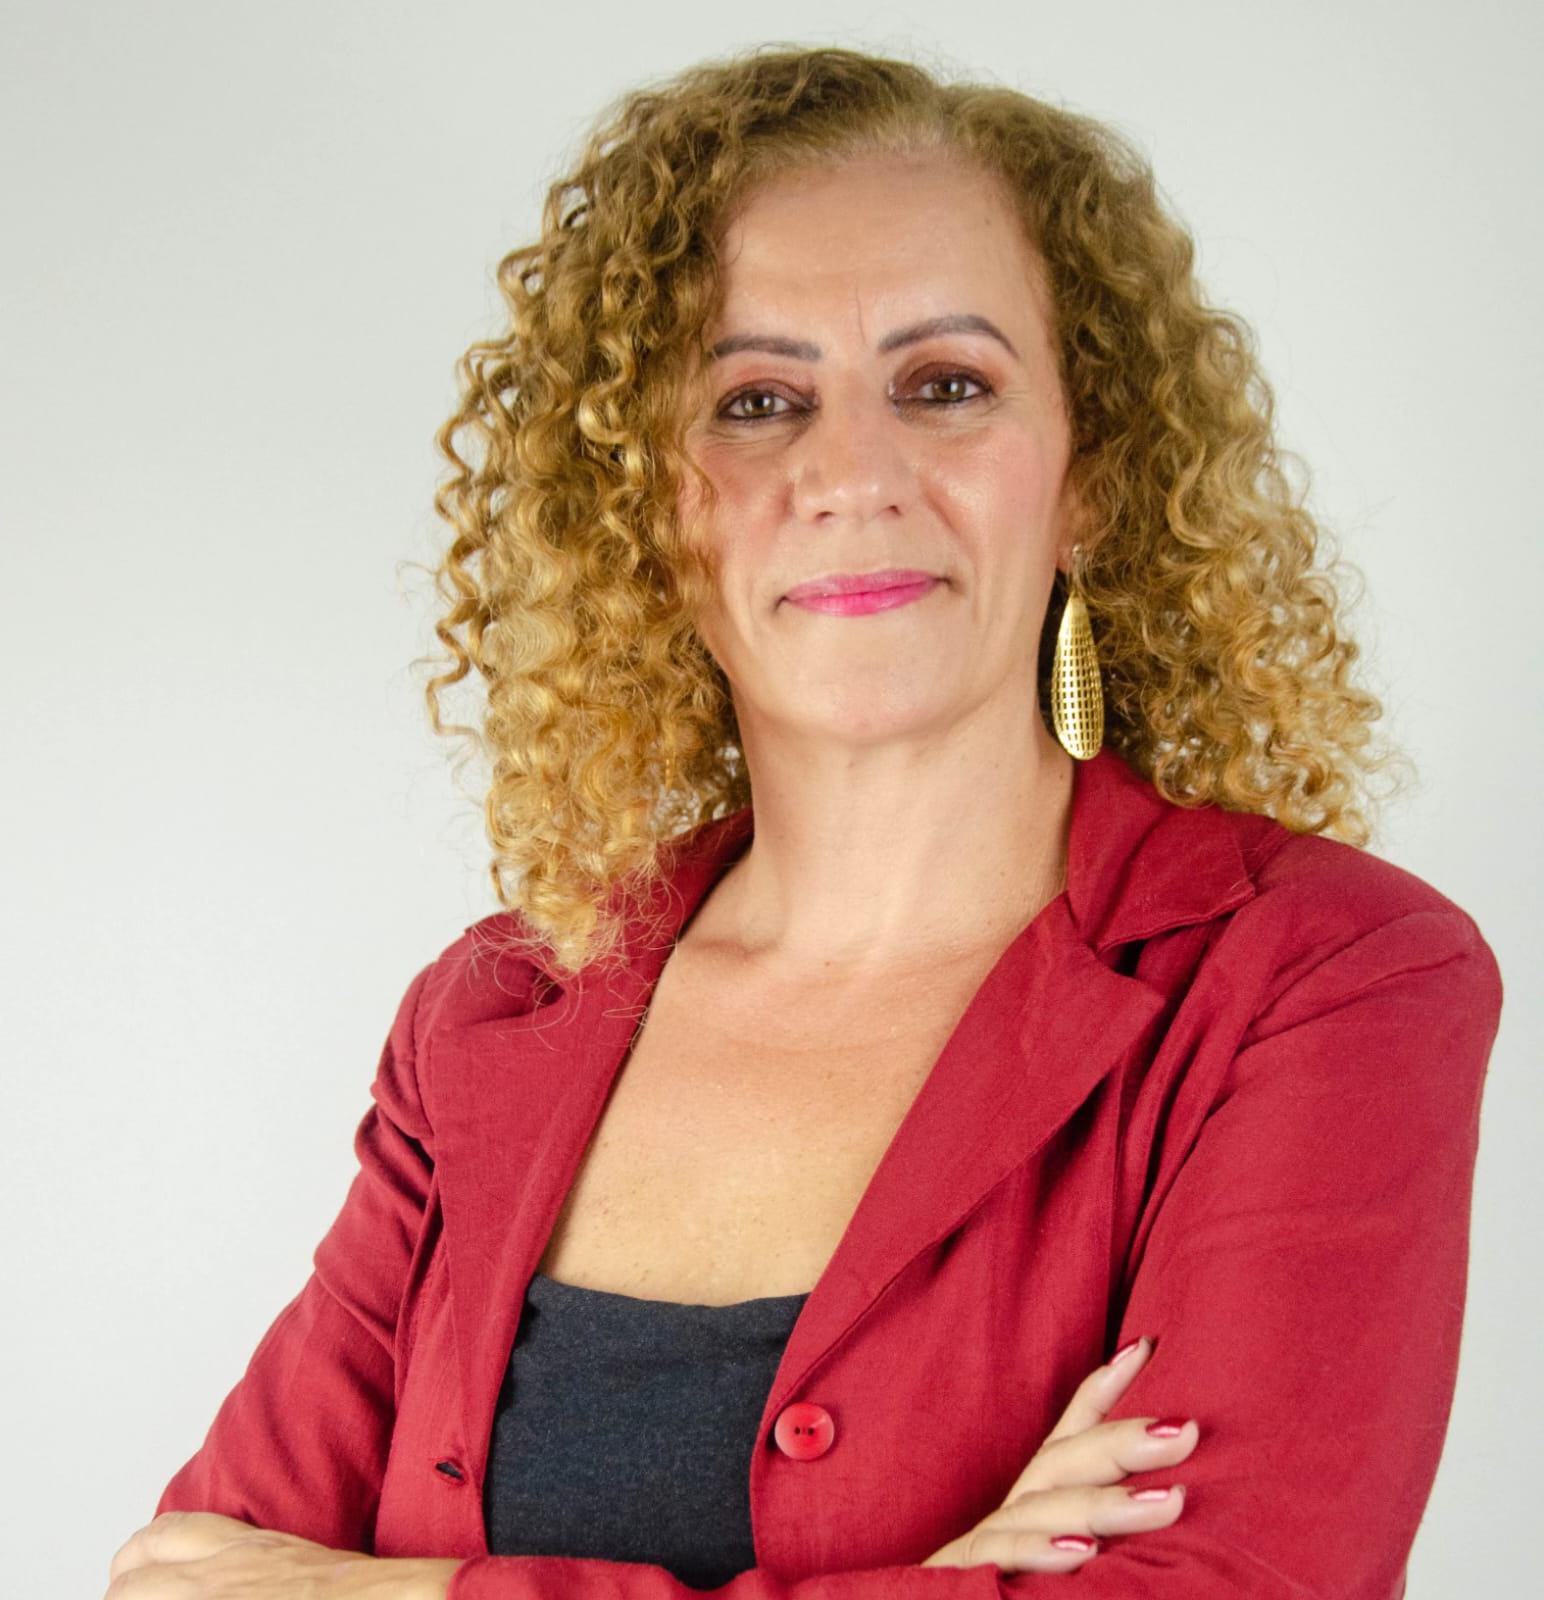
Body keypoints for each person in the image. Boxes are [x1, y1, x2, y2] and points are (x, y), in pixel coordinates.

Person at [107, 45, 1502, 1600]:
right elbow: (186, 1583)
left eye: (946, 386)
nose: (853, 475)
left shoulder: (1322, 979)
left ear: (1092, 477)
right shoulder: (497, 1008)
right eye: (759, 403)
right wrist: (946, 1579)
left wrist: (405, 1589)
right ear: (651, 508)